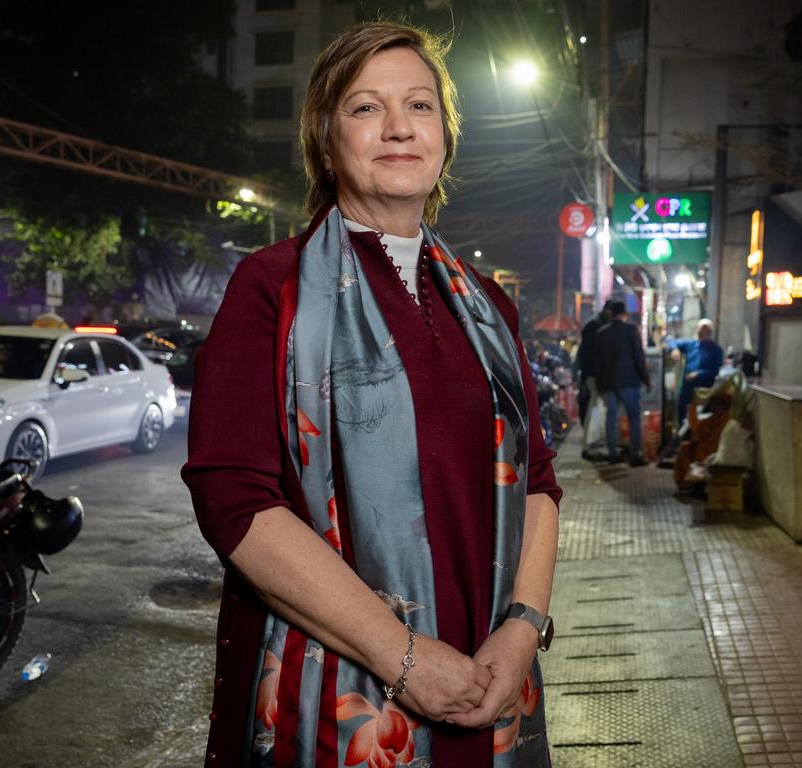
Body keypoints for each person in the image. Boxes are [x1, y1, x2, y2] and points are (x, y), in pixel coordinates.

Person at [181, 21, 562, 768]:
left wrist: (521, 630)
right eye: (364, 108)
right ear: (326, 143)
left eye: (419, 107)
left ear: (444, 138)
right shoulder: (273, 289)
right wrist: (408, 660)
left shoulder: (486, 303)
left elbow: (539, 482)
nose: (397, 128)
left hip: (492, 679)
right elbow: (235, 500)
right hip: (346, 702)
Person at [595, 299, 652, 466]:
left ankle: (613, 454)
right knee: (634, 418)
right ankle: (635, 455)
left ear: (610, 314)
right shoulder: (631, 330)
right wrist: (646, 379)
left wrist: (600, 385)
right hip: (630, 381)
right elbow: (638, 357)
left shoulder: (601, 333)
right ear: (624, 314)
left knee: (611, 419)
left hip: (609, 383)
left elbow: (598, 362)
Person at [668, 318, 723, 424]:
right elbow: (672, 342)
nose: (701, 331)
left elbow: (715, 370)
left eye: (705, 329)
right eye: (700, 328)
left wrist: (698, 374)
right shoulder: (691, 344)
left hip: (704, 390)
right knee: (684, 416)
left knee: (701, 419)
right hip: (688, 388)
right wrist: (674, 349)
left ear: (710, 331)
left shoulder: (716, 349)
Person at [576, 303, 610, 459]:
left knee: (597, 408)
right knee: (595, 408)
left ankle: (594, 443)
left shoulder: (595, 324)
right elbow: (591, 355)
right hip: (594, 375)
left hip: (593, 374)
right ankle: (589, 445)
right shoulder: (595, 327)